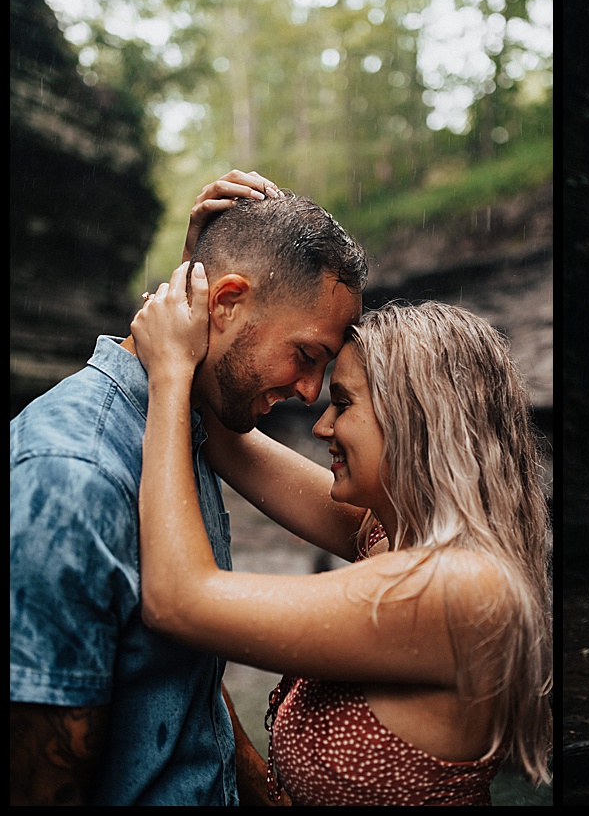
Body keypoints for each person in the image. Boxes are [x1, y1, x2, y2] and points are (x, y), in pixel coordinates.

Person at [128, 255, 554, 804]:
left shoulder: (457, 589)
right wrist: (206, 280)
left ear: (416, 420)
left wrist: (166, 375)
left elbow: (177, 600)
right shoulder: (392, 533)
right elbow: (225, 433)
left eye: (345, 403)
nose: (321, 424)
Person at [10, 171, 362, 805]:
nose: (311, 392)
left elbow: (169, 662)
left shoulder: (187, 425)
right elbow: (41, 779)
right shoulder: (72, 477)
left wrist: (247, 772)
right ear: (223, 304)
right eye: (306, 355)